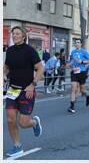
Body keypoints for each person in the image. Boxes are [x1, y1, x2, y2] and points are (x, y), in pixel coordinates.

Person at [4, 26, 44, 157]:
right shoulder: (9, 51)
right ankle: (17, 146)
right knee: (10, 120)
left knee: (23, 123)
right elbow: (7, 67)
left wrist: (32, 85)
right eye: (13, 34)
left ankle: (34, 123)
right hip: (13, 89)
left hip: (27, 90)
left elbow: (40, 69)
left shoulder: (30, 51)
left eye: (17, 34)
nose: (14, 36)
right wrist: (4, 74)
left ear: (23, 36)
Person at [66, 38, 89, 113]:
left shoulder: (84, 51)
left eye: (78, 42)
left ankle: (88, 96)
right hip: (74, 72)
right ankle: (72, 106)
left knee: (82, 90)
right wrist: (69, 65)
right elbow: (71, 61)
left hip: (82, 72)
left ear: (81, 44)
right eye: (76, 42)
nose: (77, 44)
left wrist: (82, 61)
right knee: (73, 89)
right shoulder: (73, 52)